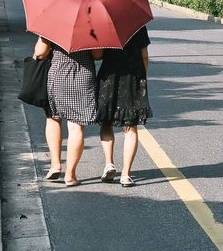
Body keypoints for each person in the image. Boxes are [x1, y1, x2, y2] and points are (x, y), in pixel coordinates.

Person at [32, 36, 99, 186]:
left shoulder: (52, 23)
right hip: (83, 76)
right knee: (76, 127)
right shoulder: (92, 25)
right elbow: (97, 54)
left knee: (53, 118)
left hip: (58, 74)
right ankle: (70, 175)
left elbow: (40, 53)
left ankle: (55, 164)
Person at [96, 25, 151, 186]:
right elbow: (145, 56)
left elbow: (98, 55)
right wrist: (141, 77)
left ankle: (109, 163)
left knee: (107, 123)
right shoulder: (138, 25)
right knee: (131, 127)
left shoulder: (105, 24)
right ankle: (126, 174)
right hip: (133, 77)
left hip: (109, 77)